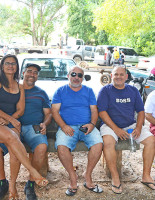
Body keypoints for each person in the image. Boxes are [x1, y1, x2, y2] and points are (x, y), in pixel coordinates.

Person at [97, 65, 155, 194]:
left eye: (121, 74)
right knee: (108, 143)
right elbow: (102, 112)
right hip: (110, 125)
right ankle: (115, 178)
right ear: (111, 76)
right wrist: (116, 129)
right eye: (116, 74)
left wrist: (138, 127)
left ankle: (146, 176)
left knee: (151, 140)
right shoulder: (105, 91)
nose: (118, 77)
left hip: (130, 124)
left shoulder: (133, 90)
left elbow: (141, 111)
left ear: (126, 77)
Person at [0, 55, 48, 200]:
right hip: (5, 121)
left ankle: (13, 186)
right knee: (13, 138)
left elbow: (20, 109)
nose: (10, 66)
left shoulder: (19, 86)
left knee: (15, 147)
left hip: (12, 121)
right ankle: (28, 173)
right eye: (7, 63)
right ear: (2, 66)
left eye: (13, 63)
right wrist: (7, 119)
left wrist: (11, 120)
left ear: (17, 68)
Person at [51, 66, 103, 196]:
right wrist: (63, 126)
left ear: (83, 78)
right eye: (73, 74)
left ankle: (88, 176)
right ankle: (73, 177)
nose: (76, 77)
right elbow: (54, 111)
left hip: (86, 125)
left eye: (80, 75)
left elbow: (94, 110)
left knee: (98, 144)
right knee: (62, 147)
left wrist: (92, 124)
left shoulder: (89, 91)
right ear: (68, 75)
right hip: (68, 126)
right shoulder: (60, 91)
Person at [19, 63, 52, 200]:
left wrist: (45, 123)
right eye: (29, 71)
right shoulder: (15, 89)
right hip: (14, 127)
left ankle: (30, 184)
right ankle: (3, 181)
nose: (32, 74)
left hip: (34, 127)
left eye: (35, 73)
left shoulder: (41, 93)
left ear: (37, 77)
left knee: (41, 147)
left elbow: (49, 113)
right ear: (23, 73)